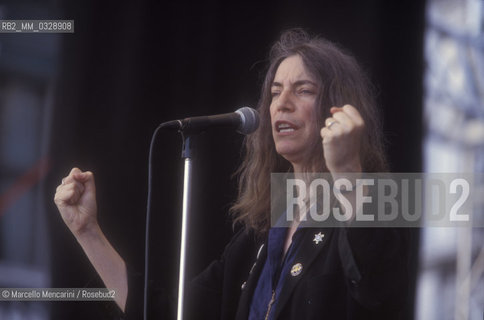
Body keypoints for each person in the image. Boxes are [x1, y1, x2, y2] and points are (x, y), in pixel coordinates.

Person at [54, 29, 408, 319]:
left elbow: (378, 288)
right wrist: (88, 232)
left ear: (339, 109)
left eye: (303, 90)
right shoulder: (259, 236)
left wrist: (347, 172)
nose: (282, 103)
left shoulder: (373, 207)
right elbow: (168, 313)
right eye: (274, 93)